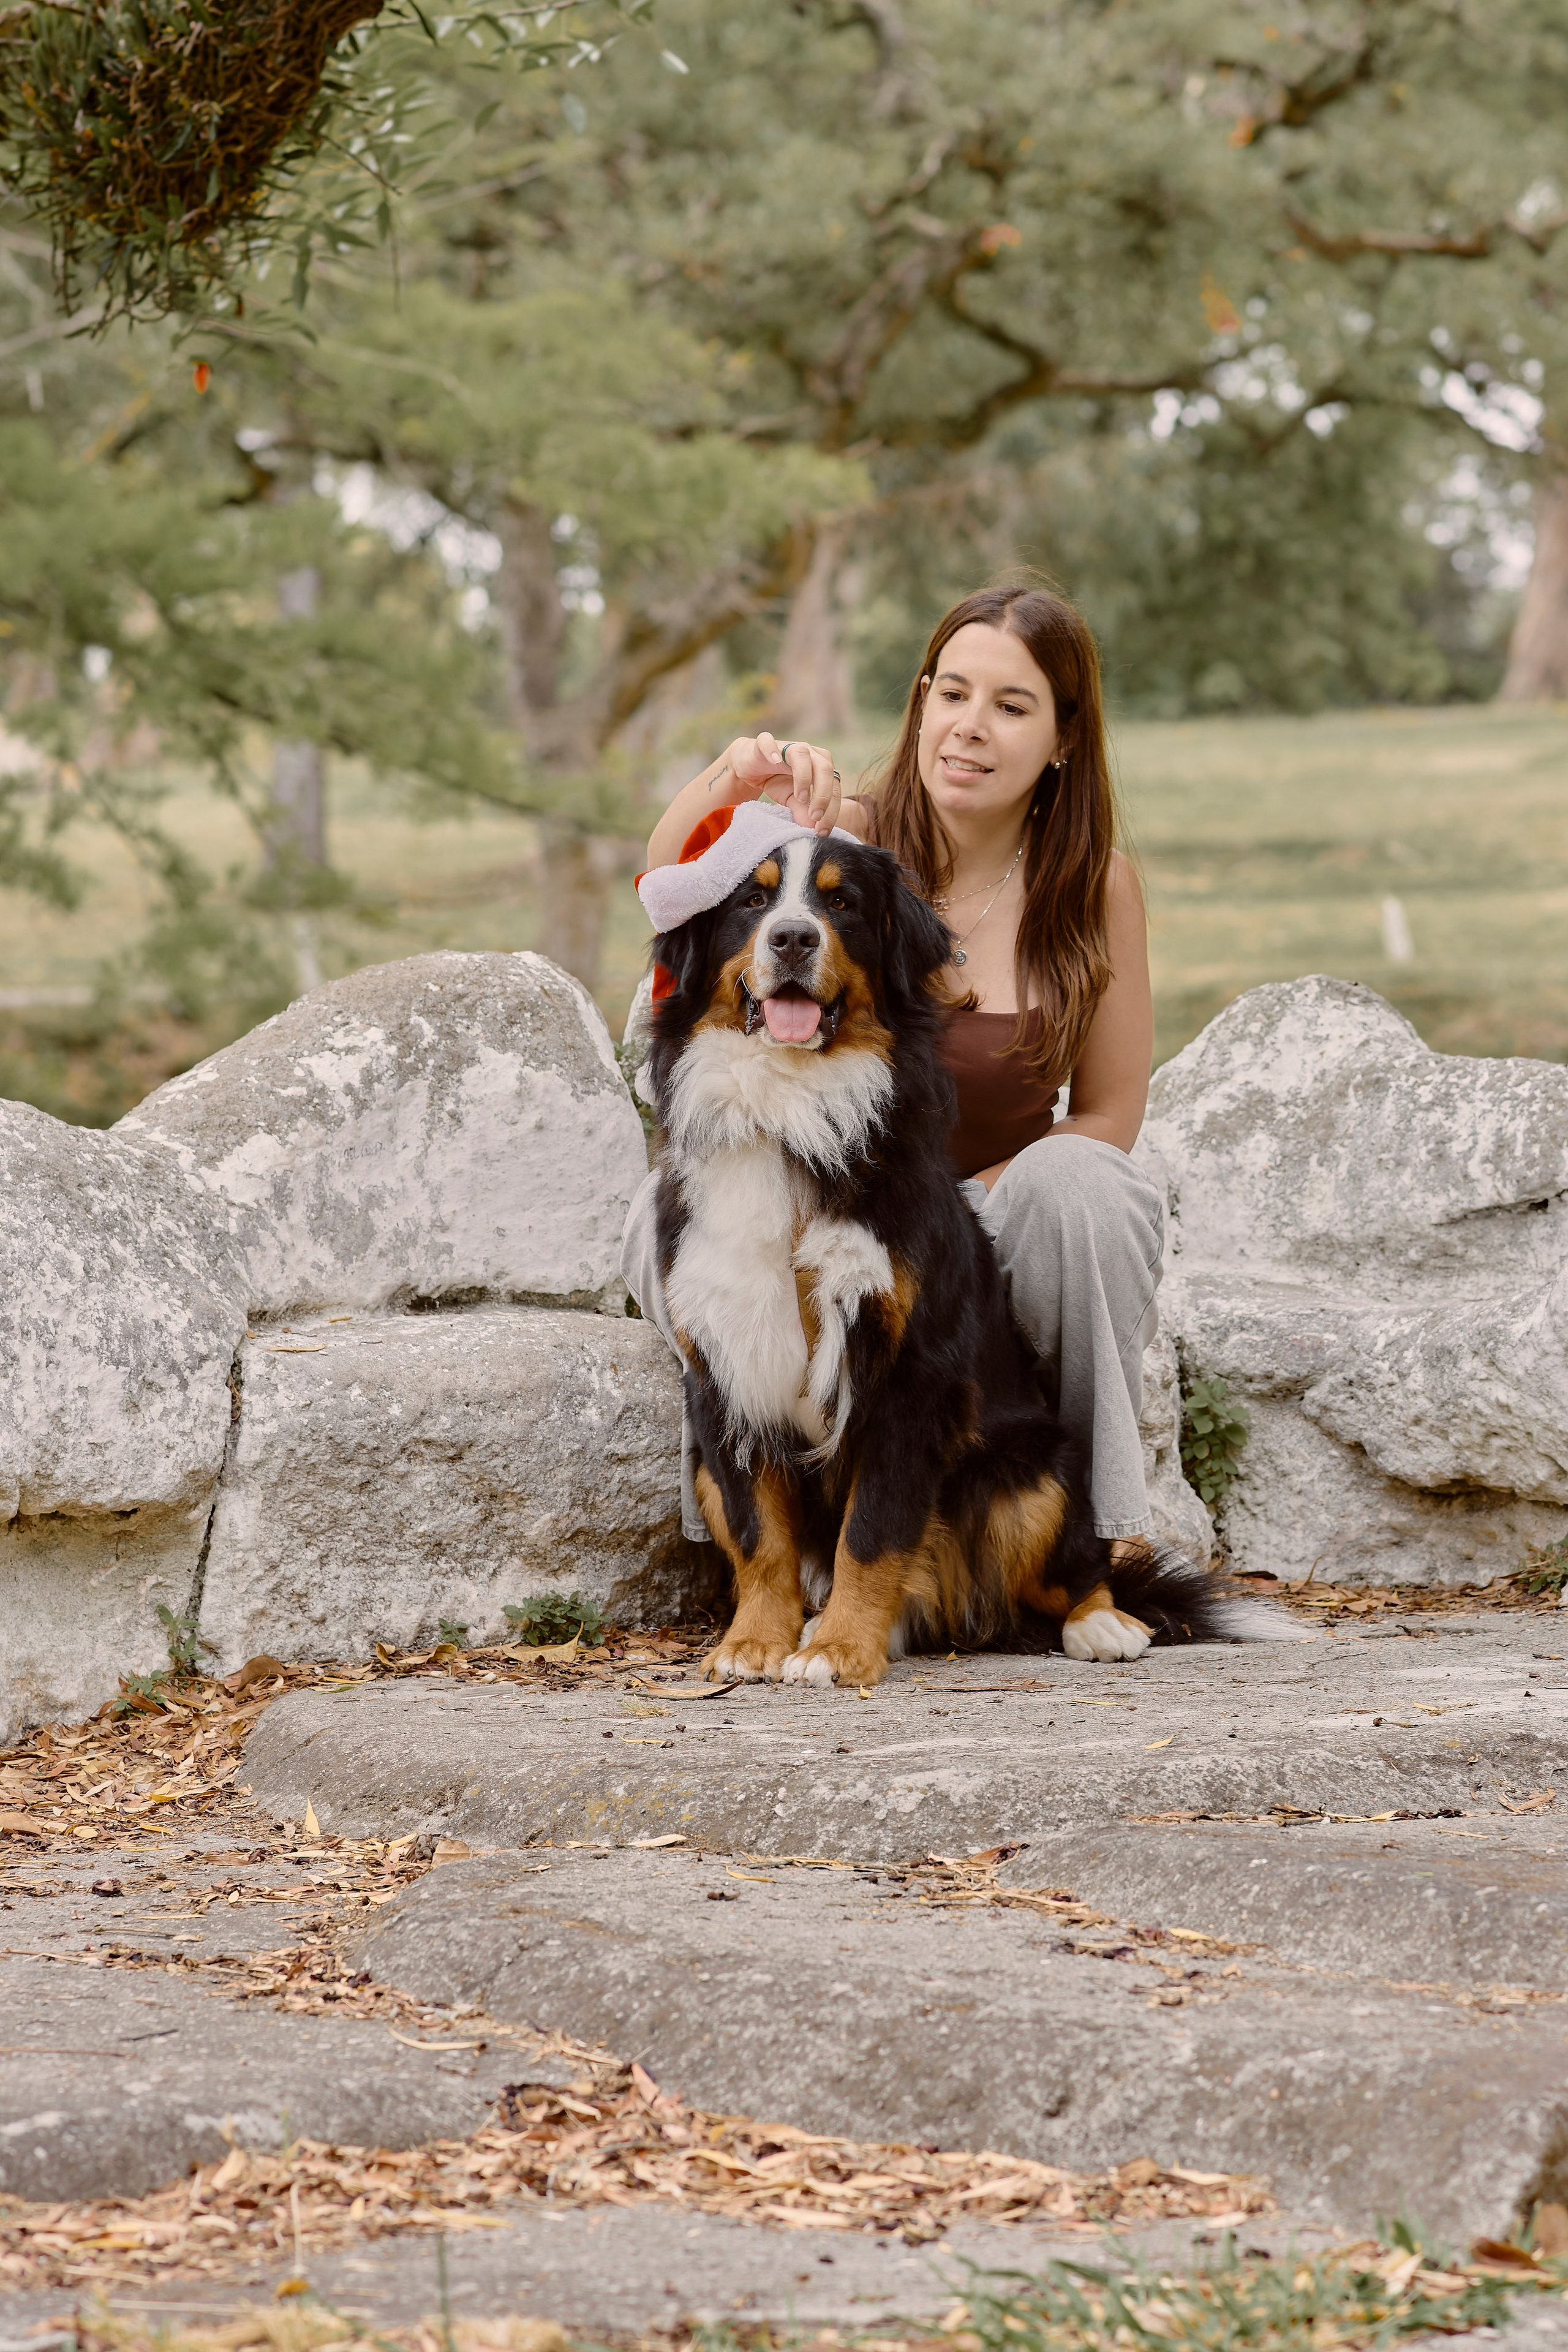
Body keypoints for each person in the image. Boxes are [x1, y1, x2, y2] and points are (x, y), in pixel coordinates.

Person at [624, 581, 1164, 1553]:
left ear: (1065, 737)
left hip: (981, 1225)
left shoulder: (1094, 887)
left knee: (1087, 1182)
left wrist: (944, 1214)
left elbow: (1111, 1112)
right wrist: (736, 777)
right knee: (663, 1209)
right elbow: (673, 892)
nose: (970, 728)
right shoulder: (845, 841)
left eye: (1011, 706)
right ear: (919, 702)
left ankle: (1089, 1532)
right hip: (805, 1208)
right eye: (951, 694)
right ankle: (756, 1525)